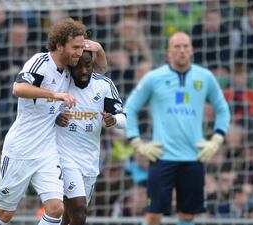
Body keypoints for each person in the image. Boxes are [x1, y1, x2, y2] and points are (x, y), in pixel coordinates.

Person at [0, 18, 87, 225]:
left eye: (81, 47)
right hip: (20, 149)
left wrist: (57, 116)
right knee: (4, 214)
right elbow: (18, 88)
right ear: (59, 45)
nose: (79, 52)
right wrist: (55, 95)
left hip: (47, 151)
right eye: (75, 47)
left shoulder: (68, 71)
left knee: (55, 209)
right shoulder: (40, 62)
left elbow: (99, 72)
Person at [125, 32, 230, 225]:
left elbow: (223, 109)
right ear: (168, 53)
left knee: (187, 216)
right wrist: (137, 142)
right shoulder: (153, 78)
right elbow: (130, 108)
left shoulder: (205, 77)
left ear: (192, 50)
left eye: (185, 46)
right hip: (162, 158)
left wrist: (216, 140)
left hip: (193, 157)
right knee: (153, 216)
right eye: (177, 47)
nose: (182, 50)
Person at [54, 50, 126, 225]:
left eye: (88, 65)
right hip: (63, 156)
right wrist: (56, 118)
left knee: (69, 217)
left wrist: (113, 119)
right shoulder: (60, 83)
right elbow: (42, 112)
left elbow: (124, 119)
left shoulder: (104, 85)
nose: (84, 71)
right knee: (79, 211)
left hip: (90, 160)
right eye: (79, 66)